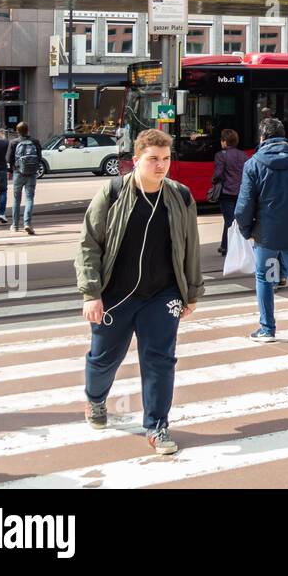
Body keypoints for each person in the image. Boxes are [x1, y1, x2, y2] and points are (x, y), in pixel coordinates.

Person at [76, 128, 203, 457]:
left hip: (163, 294)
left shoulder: (181, 196)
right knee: (104, 358)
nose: (161, 166)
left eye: (166, 159)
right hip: (116, 295)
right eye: (153, 160)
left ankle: (157, 424)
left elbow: (191, 247)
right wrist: (91, 293)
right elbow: (89, 243)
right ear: (136, 161)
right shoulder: (114, 192)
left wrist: (191, 292)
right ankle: (95, 399)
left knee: (161, 360)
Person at [234, 117, 288, 350]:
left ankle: (267, 328)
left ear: (262, 138)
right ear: (284, 135)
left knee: (265, 277)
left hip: (266, 235)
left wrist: (247, 230)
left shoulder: (253, 164)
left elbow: (243, 207)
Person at [212, 128, 248, 255]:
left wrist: (214, 181)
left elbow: (218, 174)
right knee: (233, 219)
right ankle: (224, 245)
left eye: (222, 140)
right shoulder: (243, 155)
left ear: (224, 142)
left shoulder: (221, 155)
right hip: (241, 192)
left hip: (226, 192)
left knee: (229, 220)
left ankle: (229, 248)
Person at [7, 122, 42, 236]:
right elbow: (39, 157)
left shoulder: (14, 142)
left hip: (18, 172)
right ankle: (27, 223)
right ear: (28, 130)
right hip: (31, 174)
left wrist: (12, 170)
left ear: (17, 131)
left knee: (16, 199)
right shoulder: (35, 142)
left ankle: (15, 225)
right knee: (29, 199)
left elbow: (9, 159)